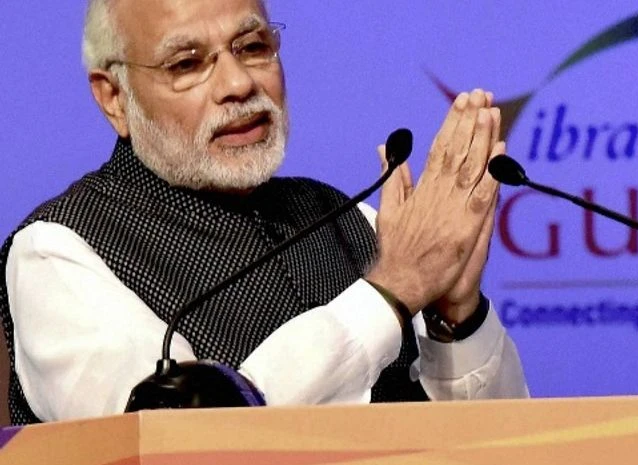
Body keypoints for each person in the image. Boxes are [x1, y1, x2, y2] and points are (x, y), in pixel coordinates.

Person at [0, 0, 528, 425]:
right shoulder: (59, 249)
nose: (238, 85)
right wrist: (392, 291)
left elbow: (510, 444)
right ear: (114, 97)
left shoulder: (350, 220)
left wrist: (453, 318)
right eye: (187, 63)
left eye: (253, 47)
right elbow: (174, 436)